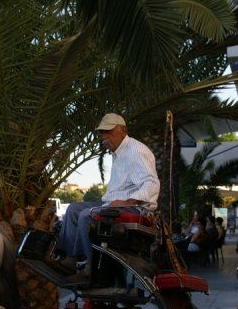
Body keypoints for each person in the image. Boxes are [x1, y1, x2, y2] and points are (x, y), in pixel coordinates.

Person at [56, 113, 160, 279]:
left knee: (85, 215)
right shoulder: (119, 152)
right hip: (116, 204)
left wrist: (126, 202)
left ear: (123, 130)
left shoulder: (136, 151)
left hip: (133, 208)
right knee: (73, 208)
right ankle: (71, 258)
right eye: (102, 133)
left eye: (109, 132)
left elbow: (151, 184)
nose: (104, 136)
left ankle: (91, 268)